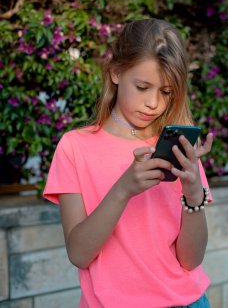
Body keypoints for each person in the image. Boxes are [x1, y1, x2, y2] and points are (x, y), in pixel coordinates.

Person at [43, 18, 213, 308]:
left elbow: (190, 261)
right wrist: (123, 189)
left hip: (187, 302)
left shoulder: (177, 148)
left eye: (166, 91)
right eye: (143, 86)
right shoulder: (74, 148)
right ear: (116, 72)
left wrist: (193, 193)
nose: (154, 103)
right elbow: (79, 254)